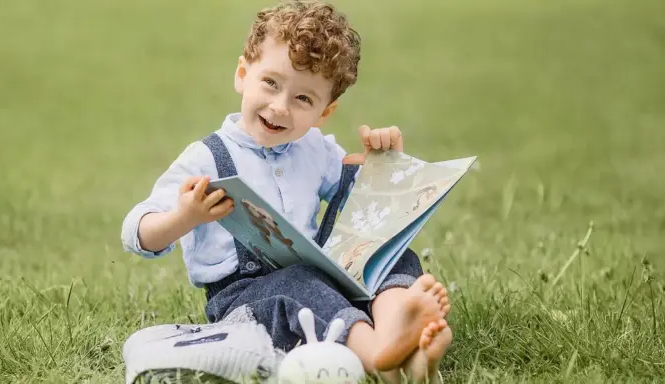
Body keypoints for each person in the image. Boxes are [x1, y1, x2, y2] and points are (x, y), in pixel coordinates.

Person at [121, 1, 452, 381]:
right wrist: (184, 217)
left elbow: (364, 209)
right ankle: (381, 356)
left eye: (303, 99)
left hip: (322, 281)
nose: (280, 107)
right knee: (300, 285)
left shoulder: (317, 149)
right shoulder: (206, 158)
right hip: (247, 300)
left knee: (390, 253)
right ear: (243, 74)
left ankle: (404, 340)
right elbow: (136, 232)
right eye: (271, 83)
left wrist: (384, 165)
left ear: (324, 112)